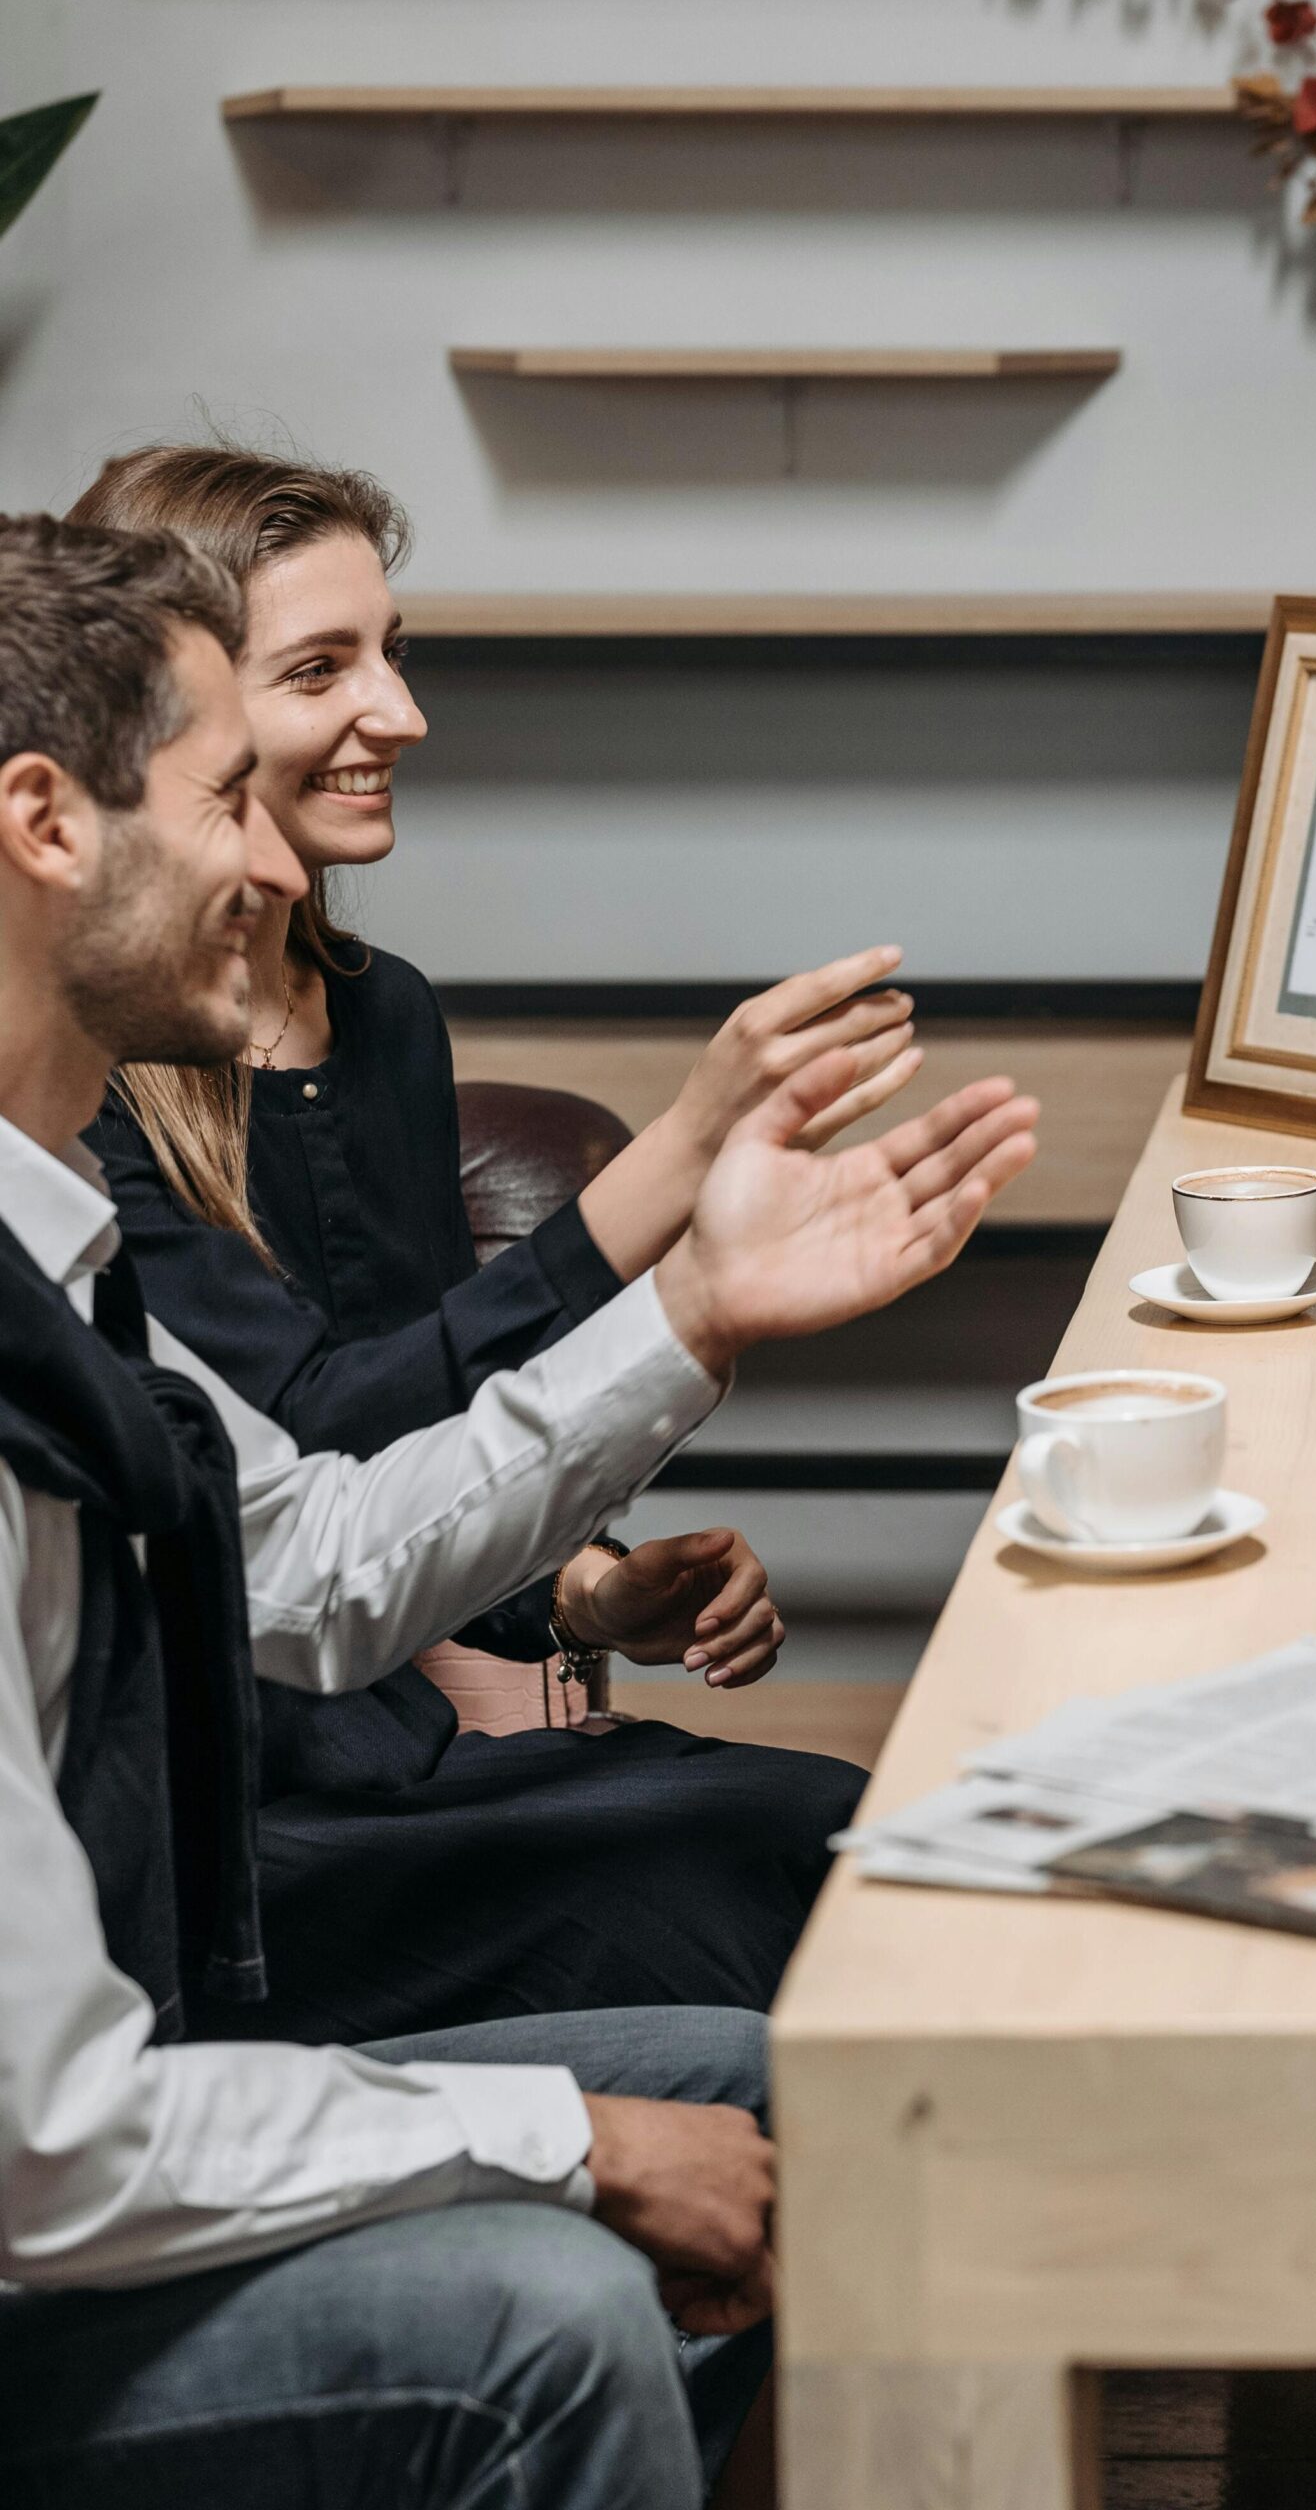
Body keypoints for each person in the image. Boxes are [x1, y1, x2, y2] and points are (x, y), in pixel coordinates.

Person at [0, 508, 1036, 2505]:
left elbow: (309, 1561)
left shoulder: (54, 1249)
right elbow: (46, 2144)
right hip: (47, 2218)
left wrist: (703, 1314)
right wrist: (573, 2137)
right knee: (547, 2317)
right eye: (230, 794)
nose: (274, 859)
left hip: (114, 2112)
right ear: (47, 821)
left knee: (787, 2104)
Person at [61, 444, 920, 2042]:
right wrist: (677, 1168)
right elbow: (310, 1447)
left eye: (394, 651)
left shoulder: (384, 1017)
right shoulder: (72, 1099)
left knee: (848, 1838)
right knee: (767, 1893)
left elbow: (400, 1468)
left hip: (399, 1761)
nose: (401, 713)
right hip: (246, 1840)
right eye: (324, 668)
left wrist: (582, 1598)